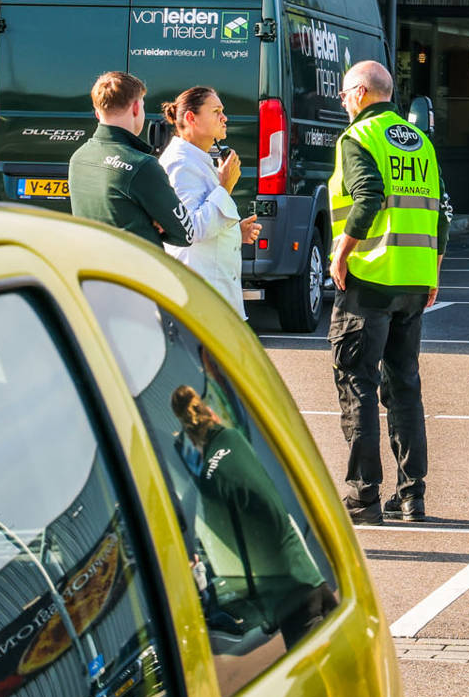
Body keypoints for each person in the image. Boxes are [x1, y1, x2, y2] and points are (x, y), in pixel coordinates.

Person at [328, 60, 448, 525]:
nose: (342, 102)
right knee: (404, 385)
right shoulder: (420, 140)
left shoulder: (358, 138)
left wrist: (342, 252)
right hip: (414, 280)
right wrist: (434, 268)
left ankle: (363, 496)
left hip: (370, 278)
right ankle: (412, 495)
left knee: (356, 381)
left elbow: (368, 195)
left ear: (359, 92)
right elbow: (441, 211)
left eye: (343, 94)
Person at [170, 384, 336, 647]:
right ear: (210, 413)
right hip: (307, 573)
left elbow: (225, 552)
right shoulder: (235, 439)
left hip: (285, 597)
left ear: (189, 438)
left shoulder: (210, 481)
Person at [158, 86, 263, 317]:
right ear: (191, 118)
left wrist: (234, 231)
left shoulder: (195, 158)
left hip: (210, 298)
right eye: (216, 111)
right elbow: (191, 229)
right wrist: (225, 186)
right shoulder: (181, 164)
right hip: (199, 302)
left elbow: (204, 219)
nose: (225, 118)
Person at [68, 71, 194, 251]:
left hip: (91, 270)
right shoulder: (141, 165)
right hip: (135, 272)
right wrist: (155, 221)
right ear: (136, 108)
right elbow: (186, 234)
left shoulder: (79, 157)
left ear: (97, 113)